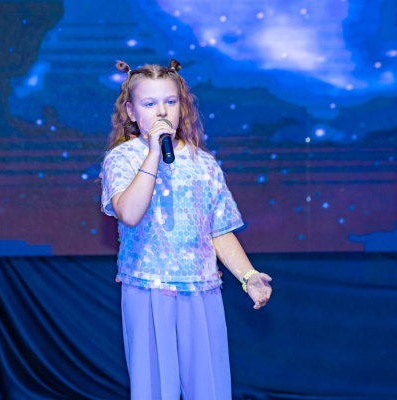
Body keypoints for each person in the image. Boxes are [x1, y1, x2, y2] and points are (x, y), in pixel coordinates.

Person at [100, 59, 272, 400]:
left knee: (209, 387)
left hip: (201, 288)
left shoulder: (204, 163)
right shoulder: (122, 159)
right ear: (132, 112)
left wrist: (248, 276)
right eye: (149, 103)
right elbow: (129, 213)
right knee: (154, 388)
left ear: (182, 106)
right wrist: (153, 153)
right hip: (148, 287)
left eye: (170, 101)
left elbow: (219, 230)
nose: (162, 111)